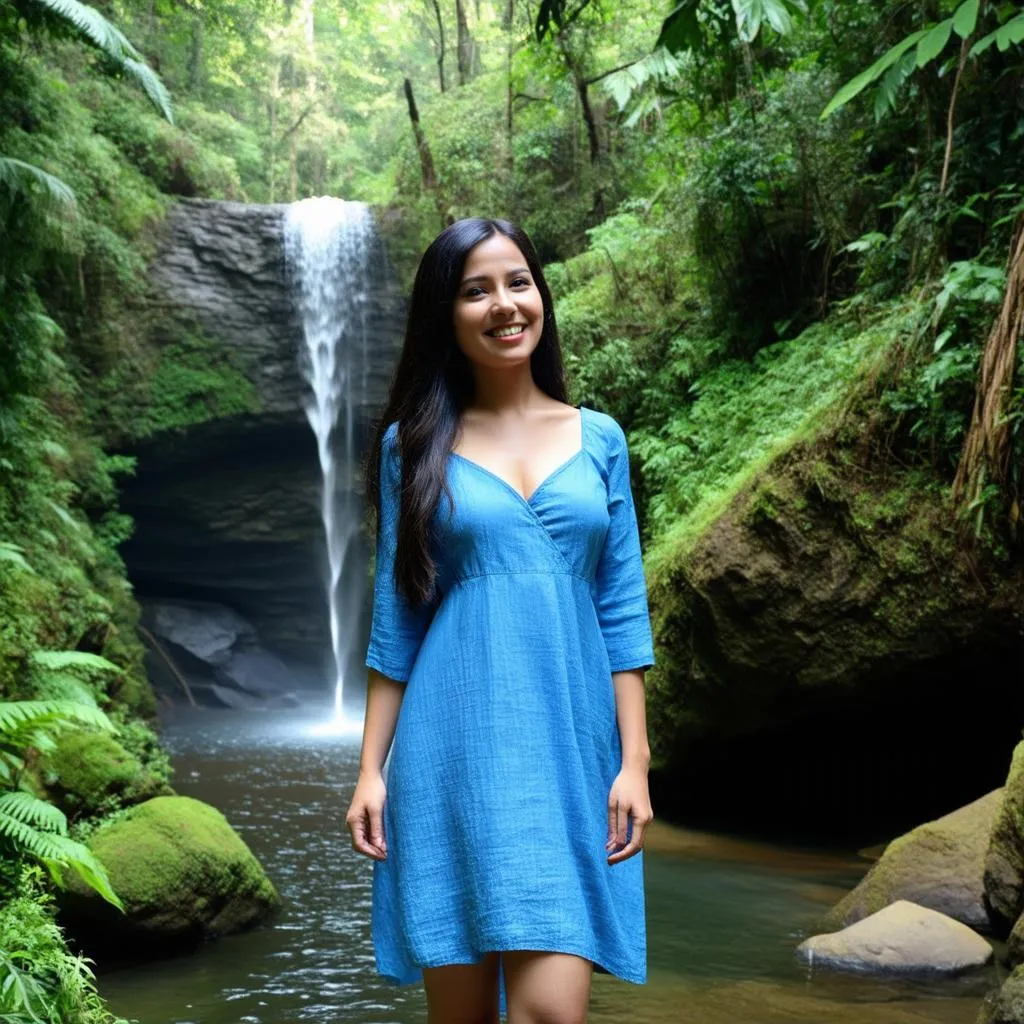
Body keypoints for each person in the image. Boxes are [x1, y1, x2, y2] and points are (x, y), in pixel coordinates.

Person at [346, 216, 657, 1024]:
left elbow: (622, 610)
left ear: (541, 295)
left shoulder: (600, 440)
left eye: (517, 282)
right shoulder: (409, 447)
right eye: (476, 290)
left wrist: (635, 762)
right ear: (445, 317)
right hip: (449, 748)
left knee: (552, 1012)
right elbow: (397, 619)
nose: (504, 304)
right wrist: (371, 772)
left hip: (568, 746)